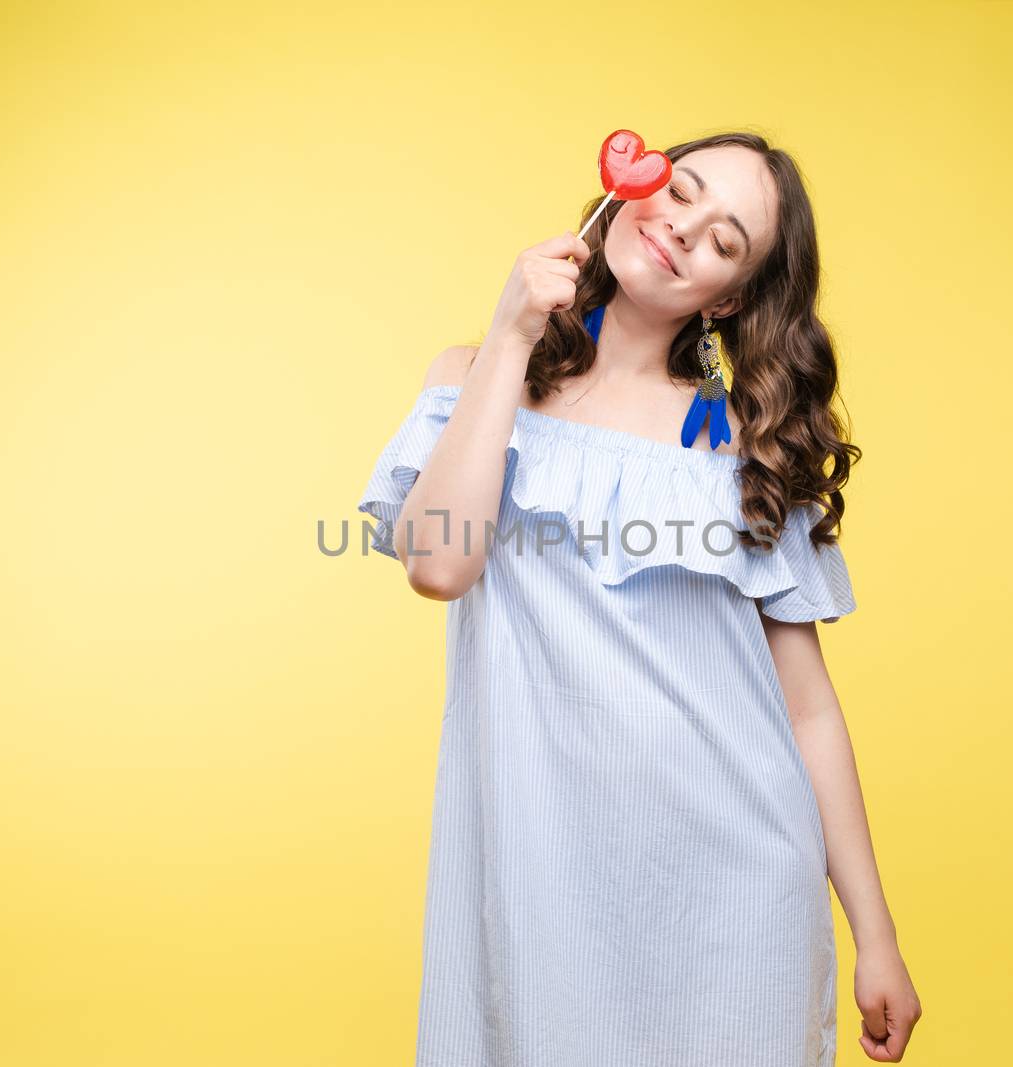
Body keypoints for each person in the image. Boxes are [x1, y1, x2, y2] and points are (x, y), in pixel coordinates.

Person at [357, 131, 922, 1066]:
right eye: (682, 189)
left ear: (728, 296)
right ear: (632, 184)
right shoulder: (472, 378)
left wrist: (879, 936)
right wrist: (509, 335)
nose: (682, 227)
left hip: (736, 885)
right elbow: (436, 563)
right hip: (539, 872)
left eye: (724, 239)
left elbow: (809, 710)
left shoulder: (749, 445)